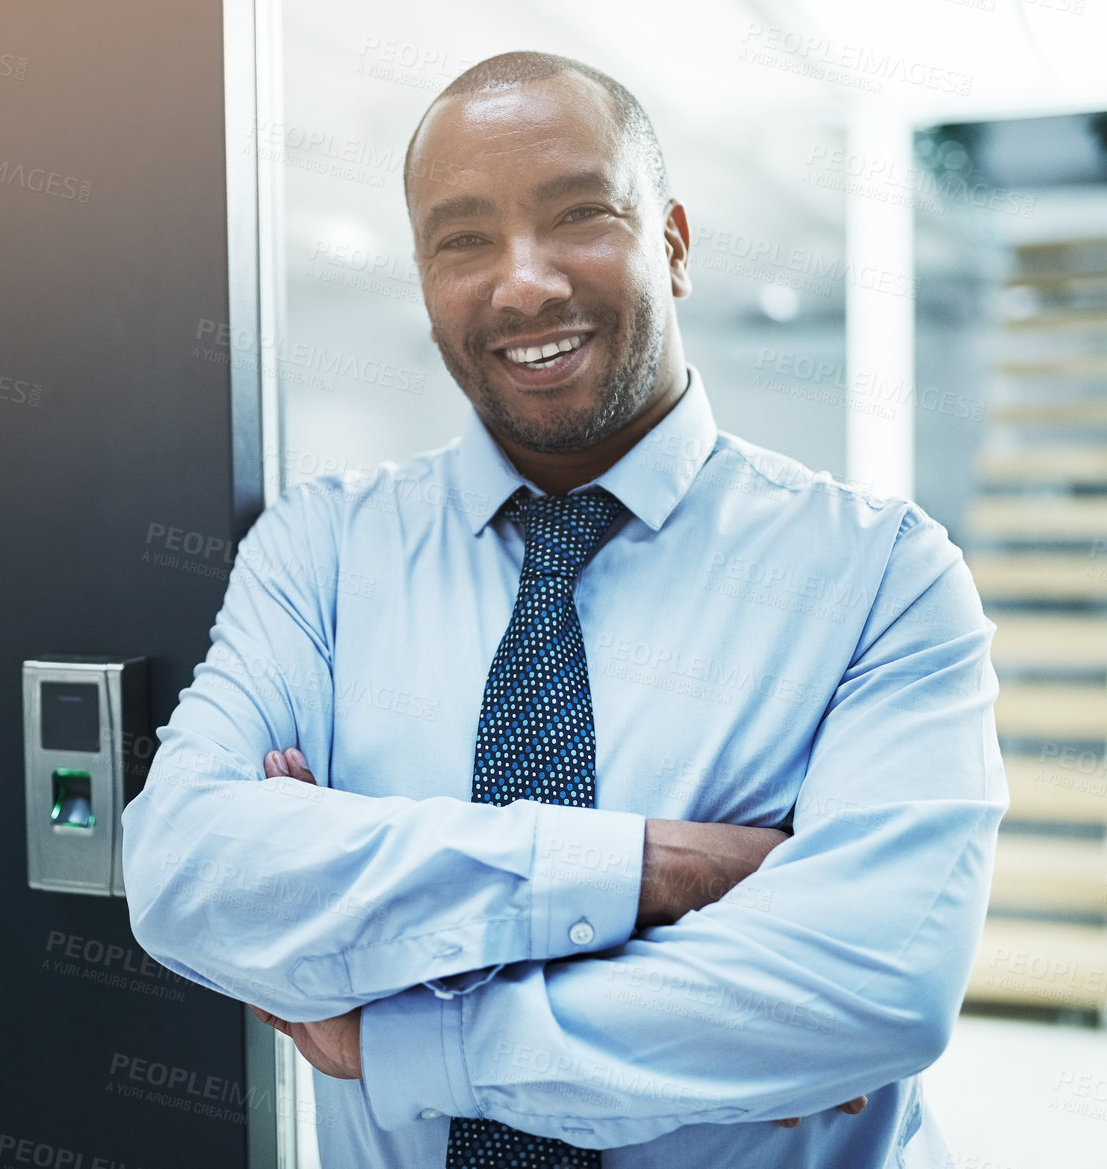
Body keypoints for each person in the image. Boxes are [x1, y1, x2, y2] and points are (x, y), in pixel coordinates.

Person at [122, 51, 1004, 1169]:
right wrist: (650, 870)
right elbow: (190, 868)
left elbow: (872, 985)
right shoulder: (322, 553)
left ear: (672, 241)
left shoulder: (882, 576)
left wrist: (401, 1027)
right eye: (463, 240)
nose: (524, 283)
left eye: (579, 214)